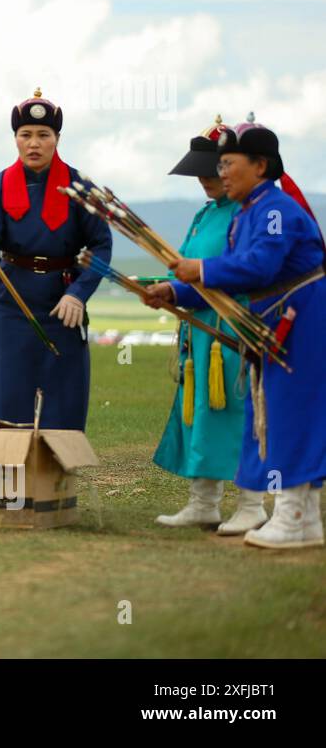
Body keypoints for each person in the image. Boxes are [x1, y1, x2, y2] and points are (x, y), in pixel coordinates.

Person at [144, 121, 325, 550]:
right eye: (219, 164)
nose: (220, 172)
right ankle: (307, 521)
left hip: (301, 317)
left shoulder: (275, 211)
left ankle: (291, 515)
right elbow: (229, 270)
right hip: (273, 320)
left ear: (260, 165)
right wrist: (175, 290)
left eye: (229, 163)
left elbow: (259, 266)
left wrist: (200, 270)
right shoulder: (247, 213)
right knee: (273, 414)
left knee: (290, 414)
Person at [0, 88, 111, 430]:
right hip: (9, 302)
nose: (34, 143)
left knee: (64, 396)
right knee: (1, 394)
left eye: (43, 135)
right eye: (25, 135)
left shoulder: (81, 187)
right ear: (15, 139)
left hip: (63, 302)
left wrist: (79, 294)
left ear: (57, 139)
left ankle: (55, 474)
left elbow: (102, 246)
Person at [152, 119, 262, 534]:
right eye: (197, 171)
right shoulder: (202, 215)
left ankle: (252, 503)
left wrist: (180, 290)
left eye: (212, 168)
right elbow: (186, 270)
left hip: (233, 329)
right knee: (200, 413)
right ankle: (204, 504)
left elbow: (234, 274)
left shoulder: (247, 214)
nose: (203, 178)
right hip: (199, 331)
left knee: (237, 410)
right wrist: (165, 289)